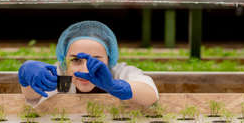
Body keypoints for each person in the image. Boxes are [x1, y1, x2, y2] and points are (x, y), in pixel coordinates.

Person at [18, 21, 159, 107]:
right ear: (64, 61)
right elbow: (33, 97)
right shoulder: (64, 79)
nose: (85, 69)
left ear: (109, 61)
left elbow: (150, 95)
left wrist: (114, 86)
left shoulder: (118, 73)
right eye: (76, 60)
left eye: (96, 61)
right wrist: (26, 77)